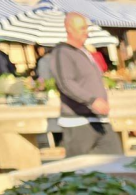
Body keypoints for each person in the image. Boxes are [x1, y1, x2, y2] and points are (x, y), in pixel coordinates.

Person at [52, 13, 121, 156]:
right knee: (80, 171)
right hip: (78, 121)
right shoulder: (63, 52)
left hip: (98, 119)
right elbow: (65, 83)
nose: (86, 31)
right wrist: (91, 100)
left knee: (115, 161)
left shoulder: (84, 52)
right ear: (69, 29)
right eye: (82, 28)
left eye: (86, 28)